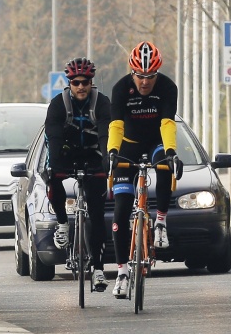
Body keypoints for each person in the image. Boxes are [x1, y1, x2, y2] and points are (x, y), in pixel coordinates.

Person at [107, 41, 183, 299]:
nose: (145, 82)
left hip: (156, 142)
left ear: (157, 73)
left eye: (150, 76)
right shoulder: (120, 88)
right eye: (140, 76)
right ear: (132, 72)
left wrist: (171, 152)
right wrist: (112, 153)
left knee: (164, 165)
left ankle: (160, 221)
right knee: (120, 211)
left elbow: (167, 122)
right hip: (127, 146)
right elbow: (116, 124)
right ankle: (121, 272)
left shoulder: (167, 87)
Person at [44, 57, 112, 292]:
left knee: (96, 212)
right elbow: (52, 136)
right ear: (69, 83)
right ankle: (63, 223)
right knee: (52, 176)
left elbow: (106, 135)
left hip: (94, 156)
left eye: (85, 82)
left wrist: (107, 162)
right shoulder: (58, 104)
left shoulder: (102, 103)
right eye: (75, 82)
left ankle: (99, 269)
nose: (81, 86)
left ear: (91, 82)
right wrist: (54, 166)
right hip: (66, 153)